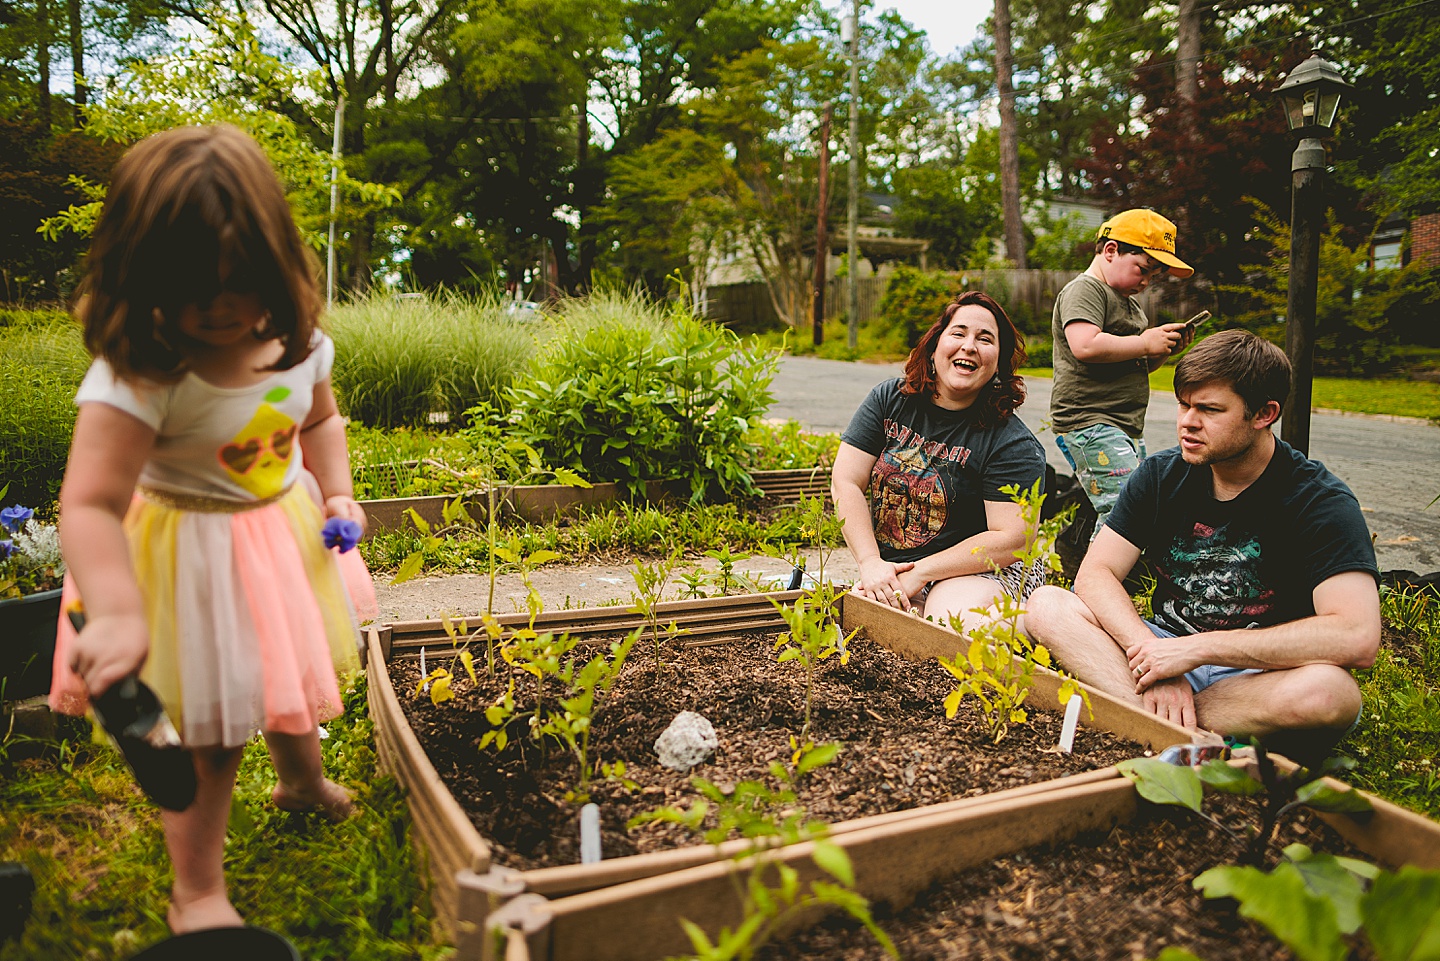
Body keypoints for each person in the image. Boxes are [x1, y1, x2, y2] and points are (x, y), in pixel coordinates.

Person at [47, 124, 375, 934]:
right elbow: (88, 501)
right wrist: (117, 608)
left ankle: (300, 782)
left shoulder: (301, 349)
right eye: (194, 285)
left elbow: (321, 422)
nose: (221, 305)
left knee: (286, 666)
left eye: (242, 280)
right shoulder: (145, 371)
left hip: (278, 533)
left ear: (277, 264)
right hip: (183, 556)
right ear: (140, 276)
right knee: (215, 729)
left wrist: (337, 493)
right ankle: (196, 890)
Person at [1026, 330, 1381, 763]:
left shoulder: (1319, 502)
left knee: (1331, 694)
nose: (1187, 423)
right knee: (1046, 605)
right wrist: (1152, 660)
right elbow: (1096, 574)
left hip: (1254, 673)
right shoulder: (1160, 475)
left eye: (1210, 409)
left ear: (1264, 414)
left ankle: (1148, 720)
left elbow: (1357, 635)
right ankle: (1187, 732)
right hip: (1160, 646)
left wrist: (1198, 649)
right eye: (1183, 405)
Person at [831, 291, 1046, 632]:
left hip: (984, 568)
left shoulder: (1011, 443)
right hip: (900, 566)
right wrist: (872, 564)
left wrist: (921, 574)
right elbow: (846, 480)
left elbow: (1013, 539)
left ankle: (1043, 629)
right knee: (874, 624)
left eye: (985, 339)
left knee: (945, 621)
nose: (969, 346)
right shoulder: (891, 400)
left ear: (999, 363)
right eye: (958, 333)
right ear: (935, 347)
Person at [1051, 208, 1195, 537]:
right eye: (1143, 270)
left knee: (1129, 498)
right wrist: (1144, 343)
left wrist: (1161, 350)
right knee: (1125, 509)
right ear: (1111, 251)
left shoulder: (1128, 303)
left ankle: (1076, 553)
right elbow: (1085, 345)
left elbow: (1136, 365)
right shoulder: (1086, 290)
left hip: (1122, 423)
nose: (1146, 282)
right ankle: (1098, 580)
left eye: (1154, 275)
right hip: (1089, 420)